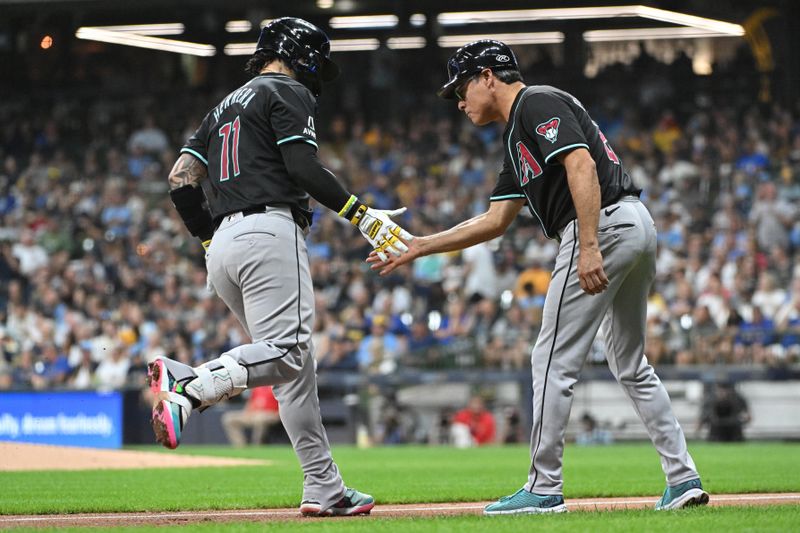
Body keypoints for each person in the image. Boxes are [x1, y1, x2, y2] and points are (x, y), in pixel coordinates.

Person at [370, 40, 708, 514]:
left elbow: (581, 163)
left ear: (489, 75)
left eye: (462, 87)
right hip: (631, 225)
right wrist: (422, 245)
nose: (460, 101)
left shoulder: (536, 101)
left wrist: (589, 244)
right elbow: (494, 221)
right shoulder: (515, 137)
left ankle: (544, 486)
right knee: (629, 363)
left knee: (549, 358)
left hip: (601, 226)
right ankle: (683, 477)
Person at [148, 17, 412, 517]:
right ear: (299, 53)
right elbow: (301, 168)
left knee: (293, 370)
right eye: (315, 62)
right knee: (289, 356)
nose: (317, 75)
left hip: (223, 242)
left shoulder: (223, 106)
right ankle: (191, 386)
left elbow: (180, 179)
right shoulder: (285, 89)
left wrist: (208, 237)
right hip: (269, 230)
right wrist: (359, 212)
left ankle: (324, 488)